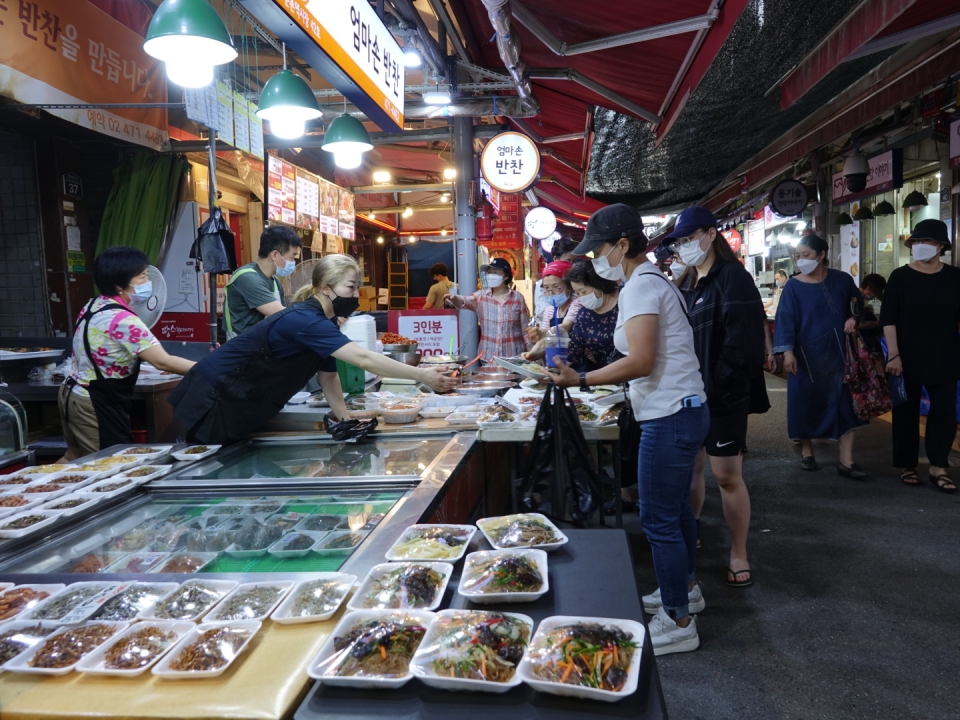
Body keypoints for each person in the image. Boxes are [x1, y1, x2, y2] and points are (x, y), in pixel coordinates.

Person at [548, 204, 709, 656]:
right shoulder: (651, 281)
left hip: (669, 414)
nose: (595, 258)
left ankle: (678, 620)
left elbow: (639, 361)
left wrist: (580, 380)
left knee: (658, 519)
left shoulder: (640, 287)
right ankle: (686, 590)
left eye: (599, 249)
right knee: (676, 512)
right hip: (682, 408)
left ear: (622, 245)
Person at [171, 254, 458, 444]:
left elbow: (328, 377)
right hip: (215, 396)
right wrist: (421, 375)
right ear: (324, 288)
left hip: (241, 396)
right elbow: (362, 358)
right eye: (349, 287)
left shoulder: (324, 323)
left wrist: (345, 423)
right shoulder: (305, 319)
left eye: (358, 287)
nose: (355, 296)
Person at [667, 206, 768, 589]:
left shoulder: (733, 278)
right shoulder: (690, 283)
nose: (685, 246)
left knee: (727, 476)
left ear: (711, 235)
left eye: (690, 238)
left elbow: (745, 343)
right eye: (681, 241)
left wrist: (722, 386)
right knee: (692, 467)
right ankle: (691, 531)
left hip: (724, 395)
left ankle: (738, 550)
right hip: (691, 393)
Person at [59, 247, 196, 460]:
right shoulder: (123, 319)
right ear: (118, 284)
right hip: (94, 401)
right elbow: (162, 361)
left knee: (73, 457)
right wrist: (205, 369)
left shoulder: (94, 304)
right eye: (141, 276)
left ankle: (30, 491)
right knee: (109, 464)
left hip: (73, 394)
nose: (148, 281)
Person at [773, 234, 867, 476]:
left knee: (845, 405)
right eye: (798, 256)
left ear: (821, 255)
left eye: (806, 255)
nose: (801, 260)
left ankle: (847, 461)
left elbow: (858, 302)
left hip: (840, 355)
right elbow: (785, 320)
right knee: (804, 403)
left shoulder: (842, 280)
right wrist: (787, 352)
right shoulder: (793, 286)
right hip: (805, 358)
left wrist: (853, 317)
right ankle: (807, 451)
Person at [880, 220, 960, 493]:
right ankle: (908, 464)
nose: (918, 246)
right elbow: (888, 319)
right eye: (915, 242)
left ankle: (939, 466)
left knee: (944, 413)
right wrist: (893, 355)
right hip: (906, 356)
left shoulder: (955, 277)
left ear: (940, 247)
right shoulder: (900, 277)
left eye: (925, 242)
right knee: (905, 412)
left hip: (946, 354)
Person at [223, 225, 302, 340]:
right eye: (292, 256)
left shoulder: (274, 281)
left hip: (262, 346)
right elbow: (284, 316)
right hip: (243, 349)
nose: (293, 262)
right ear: (274, 255)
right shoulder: (247, 278)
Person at [444, 257, 531, 360]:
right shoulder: (481, 296)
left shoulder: (518, 298)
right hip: (488, 358)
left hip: (514, 357)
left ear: (506, 276)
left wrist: (531, 352)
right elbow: (464, 300)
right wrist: (454, 299)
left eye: (495, 272)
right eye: (489, 272)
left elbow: (525, 330)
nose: (491, 276)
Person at [565, 259, 619, 372]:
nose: (581, 297)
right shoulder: (584, 315)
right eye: (577, 293)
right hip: (601, 378)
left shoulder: (624, 304)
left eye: (583, 292)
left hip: (632, 375)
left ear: (598, 284)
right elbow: (574, 350)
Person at [524, 261, 581, 356]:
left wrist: (543, 332)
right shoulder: (550, 310)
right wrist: (532, 354)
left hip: (576, 359)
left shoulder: (577, 302)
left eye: (556, 287)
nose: (550, 293)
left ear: (569, 286)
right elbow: (544, 342)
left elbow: (566, 326)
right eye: (546, 288)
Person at [534, 236, 579, 320]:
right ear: (555, 259)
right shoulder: (542, 283)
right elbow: (540, 313)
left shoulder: (577, 282)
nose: (571, 265)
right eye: (567, 261)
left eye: (573, 261)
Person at [858, 273, 886, 351]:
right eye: (874, 293)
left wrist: (864, 310)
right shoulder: (855, 297)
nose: (874, 297)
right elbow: (857, 325)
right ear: (868, 288)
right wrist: (879, 323)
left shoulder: (860, 299)